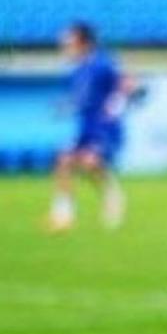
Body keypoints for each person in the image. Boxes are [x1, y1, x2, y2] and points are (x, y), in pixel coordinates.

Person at [48, 22, 131, 232]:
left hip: (104, 128)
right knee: (63, 159)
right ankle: (63, 214)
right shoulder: (77, 71)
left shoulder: (102, 64)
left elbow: (126, 84)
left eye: (70, 42)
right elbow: (83, 100)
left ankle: (112, 195)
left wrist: (114, 107)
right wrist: (67, 107)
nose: (66, 47)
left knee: (88, 161)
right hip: (85, 128)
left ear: (84, 43)